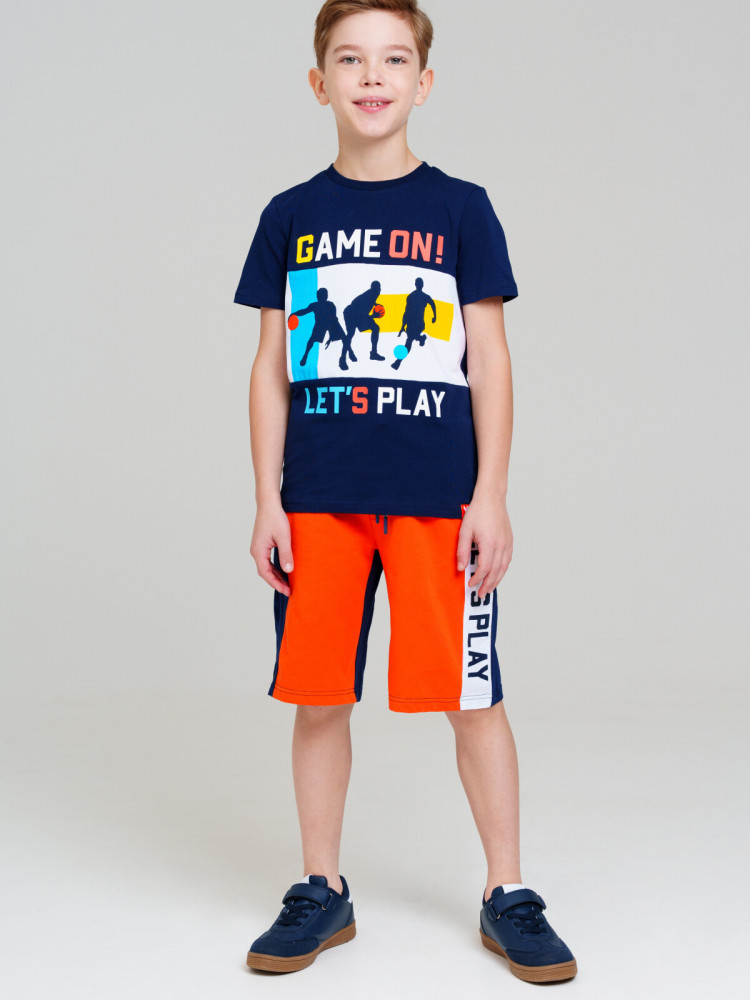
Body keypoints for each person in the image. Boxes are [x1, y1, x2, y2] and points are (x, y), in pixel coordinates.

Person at [233, 0, 577, 984]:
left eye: (392, 60)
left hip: (438, 501)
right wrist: (266, 500)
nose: (372, 77)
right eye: (350, 60)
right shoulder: (290, 215)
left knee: (472, 697)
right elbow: (270, 368)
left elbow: (490, 359)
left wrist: (491, 495)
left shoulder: (462, 209)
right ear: (320, 84)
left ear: (422, 83)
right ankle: (321, 887)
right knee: (318, 697)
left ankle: (508, 891)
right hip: (319, 500)